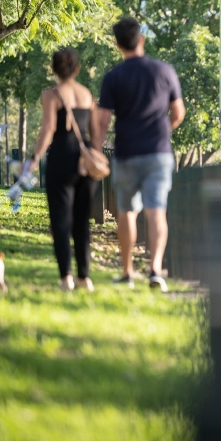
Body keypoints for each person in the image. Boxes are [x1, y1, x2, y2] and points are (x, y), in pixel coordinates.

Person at [93, 17, 186, 291]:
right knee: (157, 212)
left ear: (118, 45)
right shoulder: (165, 71)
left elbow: (101, 121)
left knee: (127, 213)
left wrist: (95, 150)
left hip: (126, 153)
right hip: (158, 152)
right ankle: (155, 270)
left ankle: (127, 272)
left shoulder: (113, 77)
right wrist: (162, 130)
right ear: (141, 40)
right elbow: (178, 113)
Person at [29, 48, 101, 292]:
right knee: (82, 221)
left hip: (61, 161)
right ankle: (85, 277)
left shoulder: (52, 95)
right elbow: (94, 130)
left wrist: (35, 157)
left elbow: (49, 129)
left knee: (61, 221)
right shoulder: (87, 94)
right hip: (84, 163)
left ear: (53, 69)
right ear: (77, 69)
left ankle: (66, 278)